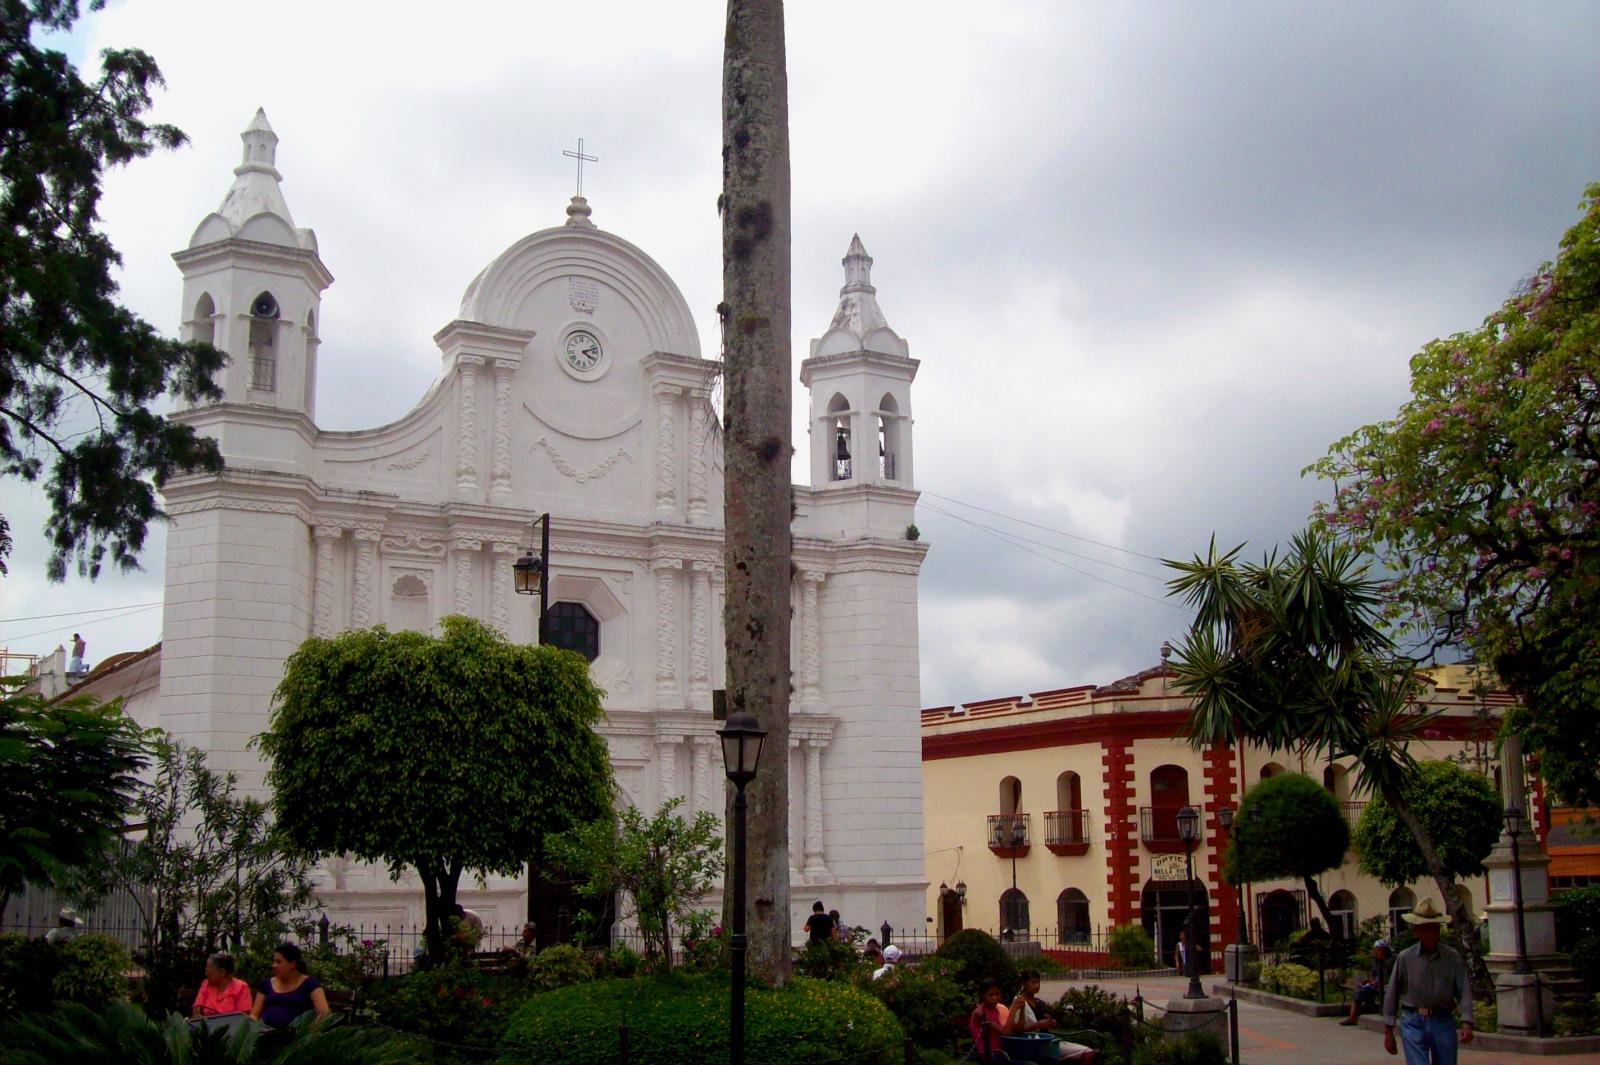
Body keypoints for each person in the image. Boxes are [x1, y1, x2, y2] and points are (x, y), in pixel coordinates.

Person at [1383, 899, 1473, 1065]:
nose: (1430, 934)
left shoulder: (1451, 957)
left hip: (1442, 1018)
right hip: (1412, 1018)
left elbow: (1463, 991)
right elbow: (1392, 993)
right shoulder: (1405, 958)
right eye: (1425, 930)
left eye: (1434, 929)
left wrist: (1466, 1022)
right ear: (1416, 931)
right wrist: (1388, 1029)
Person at [1007, 969, 1096, 1062]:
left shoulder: (1040, 1003)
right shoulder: (1018, 1002)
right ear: (1024, 983)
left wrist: (1052, 1023)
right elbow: (1016, 1031)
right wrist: (1037, 1025)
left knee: (1088, 1053)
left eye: (1038, 982)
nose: (1037, 985)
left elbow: (1049, 1024)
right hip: (1031, 1044)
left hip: (1049, 1041)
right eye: (1033, 982)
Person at [250, 942, 330, 1029]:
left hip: (297, 1038)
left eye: (278, 962)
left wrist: (307, 1033)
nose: (274, 966)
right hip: (264, 1035)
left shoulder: (310, 984)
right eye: (273, 962)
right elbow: (254, 1014)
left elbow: (323, 1013)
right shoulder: (265, 985)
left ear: (293, 964)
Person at [1342, 940, 1394, 1025]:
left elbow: (1391, 976)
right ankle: (1352, 1017)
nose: (1375, 952)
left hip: (1387, 986)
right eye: (1375, 949)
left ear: (1383, 950)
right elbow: (1373, 974)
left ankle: (1379, 1010)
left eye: (1377, 949)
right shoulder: (1376, 961)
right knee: (1359, 992)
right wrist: (1371, 981)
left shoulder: (1390, 961)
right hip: (1376, 986)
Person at [192, 952, 253, 1018]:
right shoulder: (206, 984)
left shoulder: (241, 987)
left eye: (209, 972)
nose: (206, 974)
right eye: (206, 971)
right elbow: (196, 1010)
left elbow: (243, 1018)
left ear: (222, 972)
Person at [968, 979, 1010, 1064]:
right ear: (982, 995)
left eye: (997, 994)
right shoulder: (979, 1013)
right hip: (989, 1056)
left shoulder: (997, 1010)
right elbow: (1005, 1032)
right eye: (990, 995)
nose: (994, 998)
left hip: (1001, 1053)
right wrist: (1014, 1009)